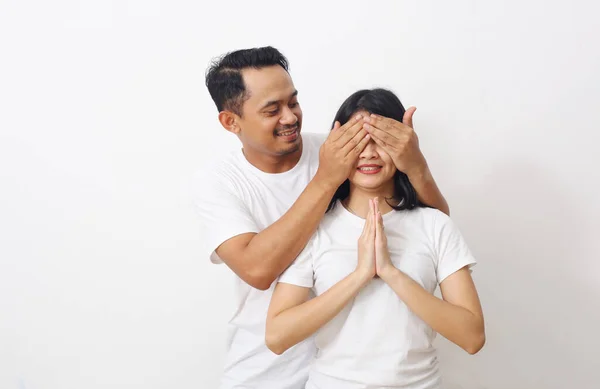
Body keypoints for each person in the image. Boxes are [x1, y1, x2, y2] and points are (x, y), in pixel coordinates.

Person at [194, 47, 449, 389]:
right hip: (265, 372)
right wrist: (327, 178)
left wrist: (415, 164)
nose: (290, 117)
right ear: (231, 121)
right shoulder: (220, 183)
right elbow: (257, 270)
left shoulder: (341, 148)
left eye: (293, 102)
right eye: (272, 109)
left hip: (347, 373)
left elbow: (434, 229)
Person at [265, 88, 485, 389]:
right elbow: (277, 336)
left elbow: (472, 336)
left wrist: (392, 273)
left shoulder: (435, 224)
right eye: (357, 142)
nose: (368, 153)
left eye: (380, 141)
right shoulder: (315, 228)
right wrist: (360, 275)